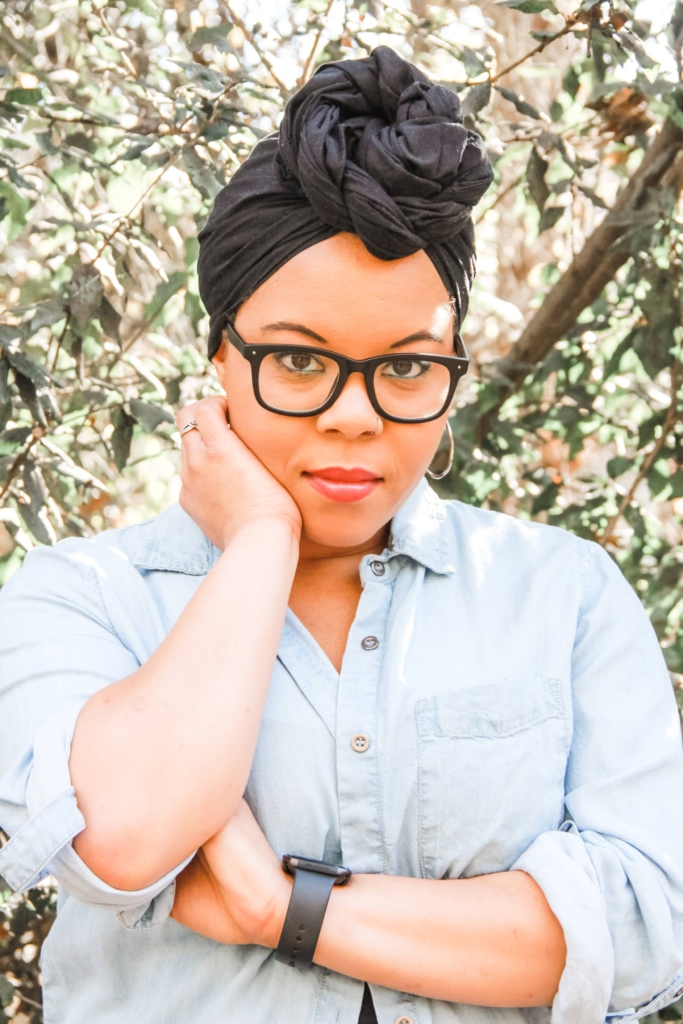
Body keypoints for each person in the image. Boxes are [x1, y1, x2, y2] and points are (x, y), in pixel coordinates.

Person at [0, 45, 682, 1024]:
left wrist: (280, 908)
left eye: (406, 369)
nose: (354, 417)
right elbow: (119, 839)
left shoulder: (562, 595)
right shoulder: (78, 597)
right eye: (296, 361)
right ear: (218, 355)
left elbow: (637, 929)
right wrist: (261, 541)